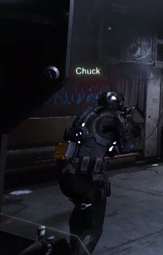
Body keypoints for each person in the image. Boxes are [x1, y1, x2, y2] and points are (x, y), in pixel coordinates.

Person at [54, 91, 140, 255]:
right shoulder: (114, 117)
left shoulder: (86, 115)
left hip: (67, 176)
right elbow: (128, 147)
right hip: (88, 179)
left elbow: (91, 144)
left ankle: (74, 250)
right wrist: (128, 122)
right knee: (93, 228)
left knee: (79, 217)